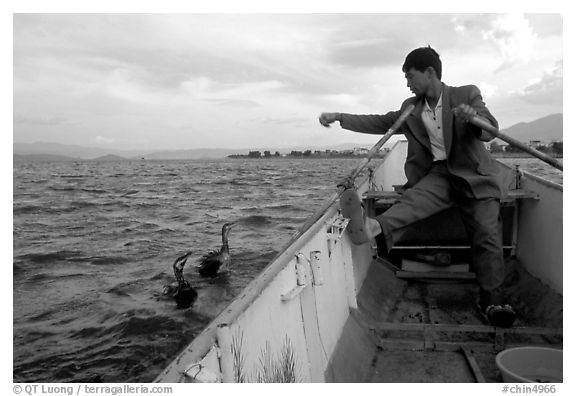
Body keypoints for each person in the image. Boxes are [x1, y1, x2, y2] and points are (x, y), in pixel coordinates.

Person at [318, 46, 516, 328]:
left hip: (475, 176)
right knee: (412, 203)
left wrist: (473, 119)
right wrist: (340, 116)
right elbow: (381, 122)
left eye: (410, 76)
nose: (408, 83)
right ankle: (373, 228)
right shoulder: (410, 108)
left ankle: (492, 302)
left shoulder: (465, 94)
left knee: (487, 234)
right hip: (438, 175)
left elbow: (490, 129)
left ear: (430, 72)